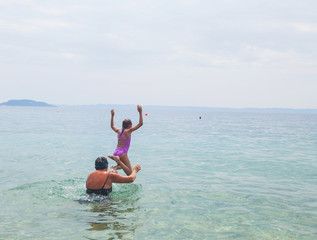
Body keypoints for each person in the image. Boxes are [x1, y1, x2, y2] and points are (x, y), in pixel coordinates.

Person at [110, 105, 143, 175]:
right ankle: (116, 164)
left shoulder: (118, 131)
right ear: (130, 126)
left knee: (122, 166)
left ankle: (114, 167)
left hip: (116, 152)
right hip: (123, 153)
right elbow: (140, 124)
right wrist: (140, 112)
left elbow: (112, 126)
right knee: (130, 174)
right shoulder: (129, 131)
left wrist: (112, 115)